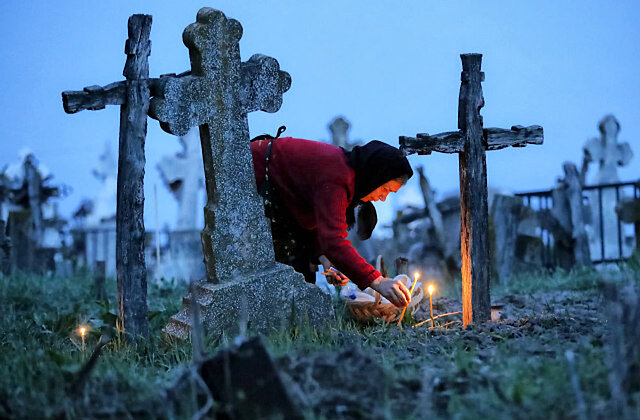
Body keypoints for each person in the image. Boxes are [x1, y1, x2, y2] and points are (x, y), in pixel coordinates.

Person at [251, 130, 413, 307]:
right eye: (386, 190)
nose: (383, 198)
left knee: (302, 268)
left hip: (279, 198)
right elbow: (333, 240)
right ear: (375, 176)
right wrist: (377, 281)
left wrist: (324, 257)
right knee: (292, 265)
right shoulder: (337, 177)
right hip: (252, 175)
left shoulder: (346, 176)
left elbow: (316, 215)